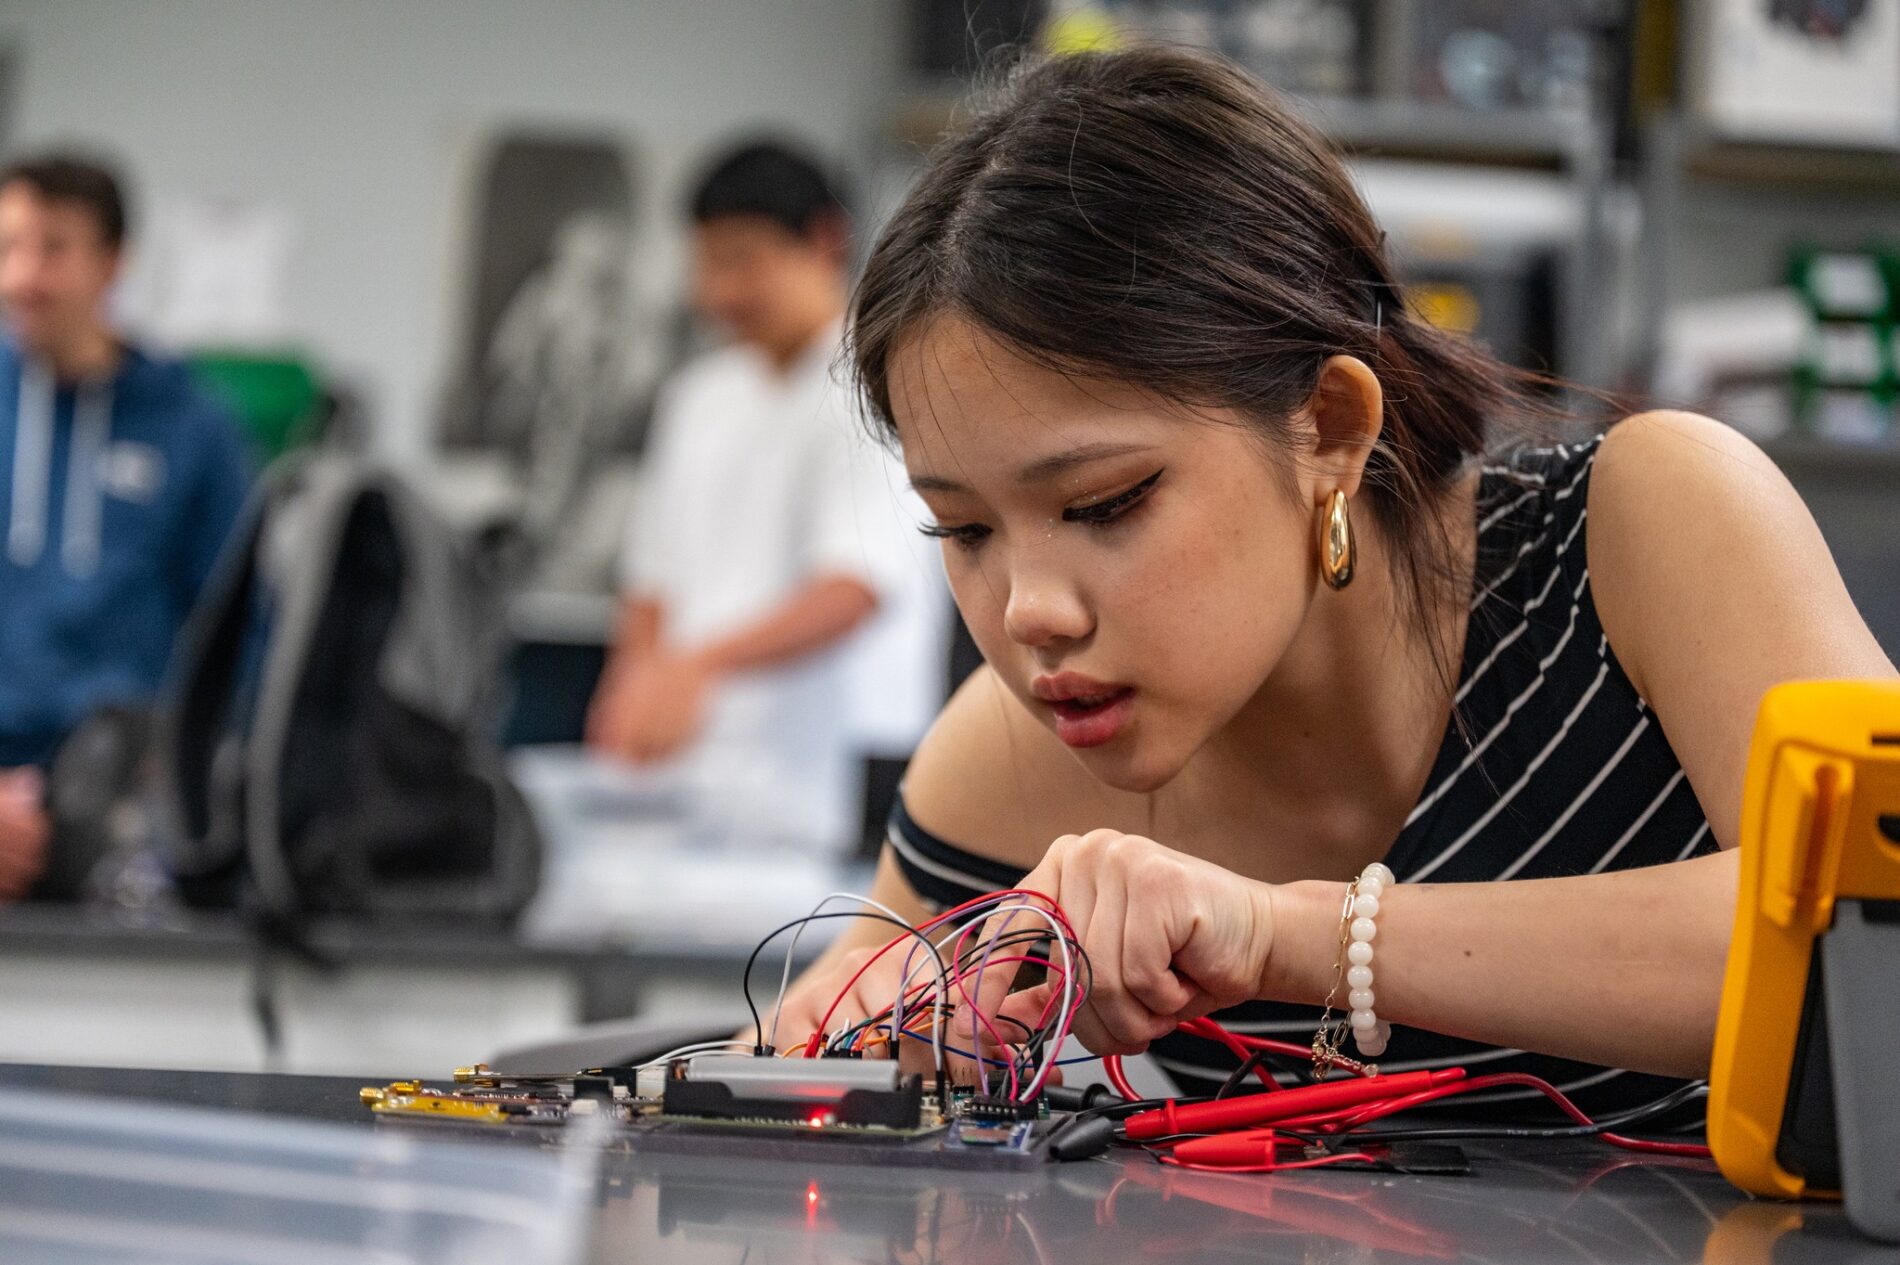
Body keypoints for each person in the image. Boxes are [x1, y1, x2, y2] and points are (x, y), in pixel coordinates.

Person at [768, 48, 1897, 1111]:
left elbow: (1872, 948)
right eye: (961, 530)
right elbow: (802, 1069)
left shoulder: (1640, 528)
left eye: (1106, 502)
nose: (1029, 613)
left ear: (1331, 427)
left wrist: (1280, 935)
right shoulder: (1008, 767)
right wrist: (876, 1045)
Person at [587, 140, 942, 851]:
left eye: (742, 260)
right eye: (707, 262)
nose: (718, 292)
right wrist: (629, 687)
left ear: (823, 241)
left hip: (832, 789)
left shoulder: (877, 384)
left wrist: (696, 666)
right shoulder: (699, 398)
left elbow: (858, 585)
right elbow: (652, 580)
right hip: (693, 782)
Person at [0, 153, 251, 900]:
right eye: (8, 248)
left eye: (53, 248)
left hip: (128, 806)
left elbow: (235, 630)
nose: (24, 276)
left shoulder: (191, 426)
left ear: (113, 262)